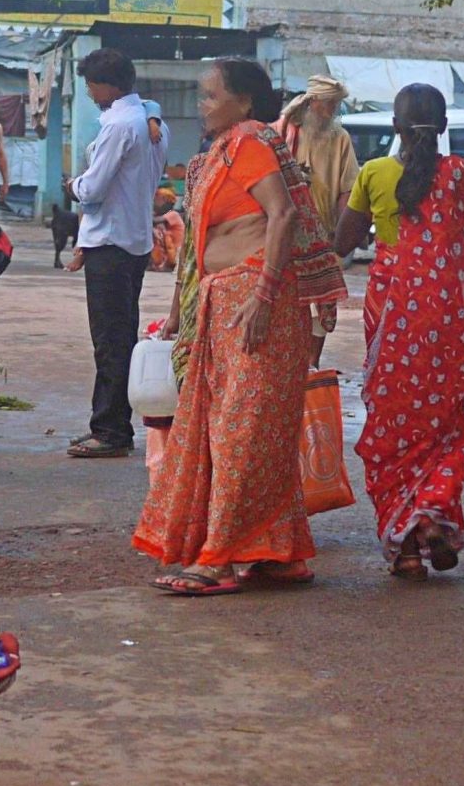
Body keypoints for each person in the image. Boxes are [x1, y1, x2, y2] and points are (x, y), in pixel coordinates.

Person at [133, 58, 345, 597]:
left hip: (254, 300)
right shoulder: (231, 147)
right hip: (231, 298)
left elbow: (282, 215)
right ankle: (279, 553)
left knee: (238, 433)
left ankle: (218, 559)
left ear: (245, 102)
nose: (202, 105)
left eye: (209, 96)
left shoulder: (249, 141)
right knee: (254, 431)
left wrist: (265, 292)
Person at [335, 83, 464, 577]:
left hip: (390, 308)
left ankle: (408, 542)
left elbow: (343, 241)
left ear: (395, 127)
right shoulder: (461, 176)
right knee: (442, 417)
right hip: (443, 311)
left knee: (392, 420)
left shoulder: (375, 173)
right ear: (442, 127)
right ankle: (433, 512)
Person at [66, 46, 159, 460]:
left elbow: (93, 188)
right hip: (134, 240)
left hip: (111, 244)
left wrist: (73, 186)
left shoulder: (120, 125)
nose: (88, 92)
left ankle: (110, 429)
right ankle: (112, 423)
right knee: (119, 335)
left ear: (108, 85)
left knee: (110, 340)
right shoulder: (150, 121)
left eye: (91, 84)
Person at [280, 74, 357, 250]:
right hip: (289, 231)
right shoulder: (285, 132)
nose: (333, 109)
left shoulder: (340, 138)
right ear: (313, 101)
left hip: (324, 233)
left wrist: (341, 233)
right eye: (329, 102)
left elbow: (347, 189)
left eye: (336, 103)